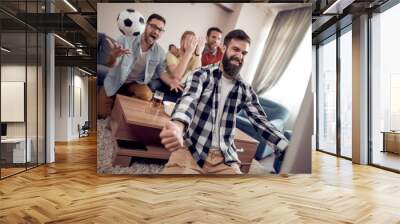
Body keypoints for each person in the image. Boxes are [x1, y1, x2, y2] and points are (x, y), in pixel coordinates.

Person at [159, 29, 289, 174]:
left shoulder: (245, 89)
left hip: (225, 159)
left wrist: (284, 145)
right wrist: (178, 126)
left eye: (244, 53)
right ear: (224, 48)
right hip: (191, 150)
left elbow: (260, 120)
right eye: (235, 50)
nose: (239, 56)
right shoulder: (201, 75)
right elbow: (189, 99)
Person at [98, 13, 180, 118]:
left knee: (147, 95)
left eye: (160, 29)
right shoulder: (125, 40)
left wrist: (171, 81)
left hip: (134, 84)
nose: (156, 31)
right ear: (146, 26)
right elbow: (110, 65)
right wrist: (113, 56)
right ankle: (107, 95)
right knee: (102, 114)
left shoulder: (159, 52)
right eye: (153, 26)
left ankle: (122, 109)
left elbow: (161, 72)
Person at [156, 31, 205, 102]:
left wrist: (198, 54)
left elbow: (197, 74)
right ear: (182, 41)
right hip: (167, 82)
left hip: (179, 86)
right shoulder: (172, 54)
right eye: (189, 40)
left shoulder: (194, 57)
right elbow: (176, 75)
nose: (191, 44)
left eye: (193, 41)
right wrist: (188, 52)